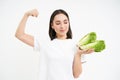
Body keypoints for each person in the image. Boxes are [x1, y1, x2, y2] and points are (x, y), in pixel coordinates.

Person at [15, 9, 94, 80]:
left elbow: (76, 75)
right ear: (52, 25)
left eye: (65, 22)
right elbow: (19, 35)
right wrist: (26, 15)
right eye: (58, 23)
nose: (62, 26)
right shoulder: (45, 43)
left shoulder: (77, 45)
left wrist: (78, 54)